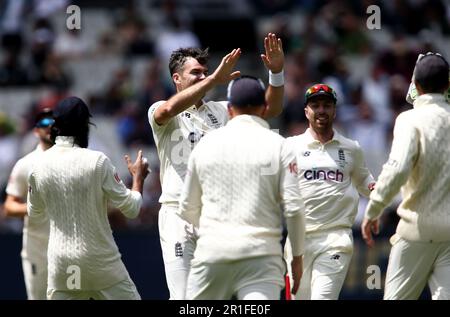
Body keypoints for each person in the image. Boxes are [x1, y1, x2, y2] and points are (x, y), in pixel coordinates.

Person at [148, 33, 286, 299]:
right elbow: (165, 112)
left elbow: (270, 110)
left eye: (205, 73)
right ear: (176, 78)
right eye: (195, 73)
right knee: (184, 298)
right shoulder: (161, 109)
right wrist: (214, 80)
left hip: (217, 215)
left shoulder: (222, 110)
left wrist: (277, 73)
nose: (202, 77)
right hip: (177, 214)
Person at [177, 76, 305, 300]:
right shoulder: (280, 145)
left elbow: (187, 207)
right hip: (261, 257)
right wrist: (297, 257)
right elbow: (294, 209)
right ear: (265, 108)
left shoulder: (206, 144)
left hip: (212, 253)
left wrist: (214, 231)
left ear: (229, 109)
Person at [27, 96, 149, 300]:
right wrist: (138, 179)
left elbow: (34, 212)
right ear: (85, 126)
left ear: (56, 127)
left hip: (62, 265)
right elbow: (132, 208)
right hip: (101, 264)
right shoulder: (97, 161)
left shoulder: (38, 166)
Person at [362, 53, 450, 300]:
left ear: (417, 85)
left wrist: (374, 209)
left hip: (416, 231)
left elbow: (398, 169)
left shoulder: (409, 119)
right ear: (448, 85)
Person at [284, 83, 375, 300]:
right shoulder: (290, 146)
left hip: (336, 238)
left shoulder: (351, 148)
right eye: (315, 105)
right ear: (307, 111)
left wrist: (381, 195)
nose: (321, 110)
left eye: (327, 105)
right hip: (298, 242)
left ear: (335, 110)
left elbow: (366, 182)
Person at [4, 109, 54, 300]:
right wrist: (35, 207)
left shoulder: (73, 158)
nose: (50, 127)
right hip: (38, 251)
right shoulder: (26, 164)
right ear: (35, 130)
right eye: (44, 123)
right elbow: (9, 206)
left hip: (69, 249)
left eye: (53, 122)